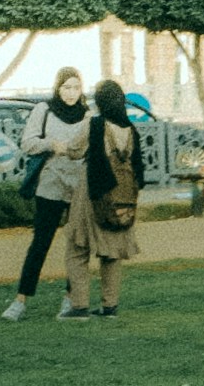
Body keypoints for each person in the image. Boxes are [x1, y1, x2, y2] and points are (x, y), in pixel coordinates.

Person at [1, 69, 90, 321]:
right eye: (66, 87)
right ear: (58, 88)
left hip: (77, 187)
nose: (72, 93)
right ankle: (20, 301)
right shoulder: (44, 110)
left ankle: (70, 299)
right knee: (40, 243)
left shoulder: (87, 115)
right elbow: (27, 143)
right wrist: (51, 144)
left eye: (76, 87)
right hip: (50, 184)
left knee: (77, 246)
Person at [62, 80, 144, 318]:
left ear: (99, 102)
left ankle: (79, 306)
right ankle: (110, 306)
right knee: (112, 251)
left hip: (93, 192)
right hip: (123, 197)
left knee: (77, 247)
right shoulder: (131, 129)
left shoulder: (95, 124)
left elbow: (74, 150)